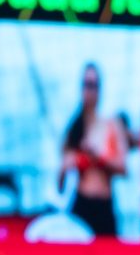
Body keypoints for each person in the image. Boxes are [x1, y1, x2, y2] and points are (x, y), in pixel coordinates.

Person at [55, 60, 128, 237]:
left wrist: (97, 156)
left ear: (100, 89)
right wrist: (65, 168)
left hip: (104, 206)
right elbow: (59, 185)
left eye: (94, 85)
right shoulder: (74, 129)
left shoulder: (111, 125)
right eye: (86, 85)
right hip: (81, 205)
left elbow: (123, 168)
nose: (90, 91)